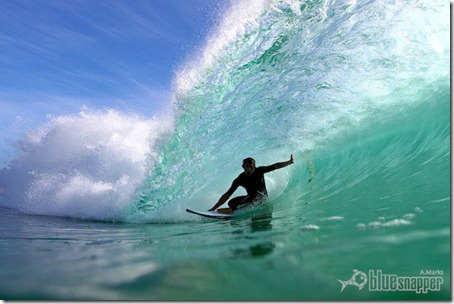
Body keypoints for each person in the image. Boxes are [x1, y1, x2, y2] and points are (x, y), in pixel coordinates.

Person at [208, 154, 295, 213]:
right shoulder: (240, 179)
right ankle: (231, 209)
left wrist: (289, 162)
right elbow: (227, 194)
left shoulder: (259, 171)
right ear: (243, 167)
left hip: (262, 199)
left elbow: (275, 166)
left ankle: (230, 210)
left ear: (254, 167)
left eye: (251, 167)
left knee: (255, 194)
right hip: (250, 199)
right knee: (231, 202)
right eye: (247, 167)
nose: (249, 169)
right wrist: (214, 208)